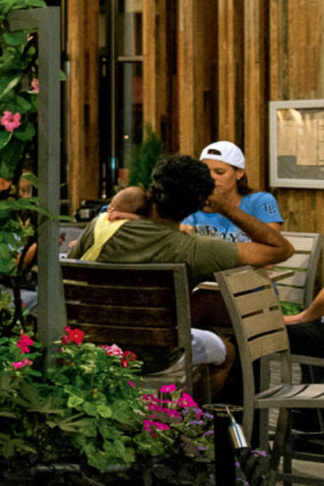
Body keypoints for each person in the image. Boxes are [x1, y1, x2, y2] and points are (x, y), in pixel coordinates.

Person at [70, 155, 292, 394]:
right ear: (199, 204)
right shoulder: (195, 249)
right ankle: (192, 419)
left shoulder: (102, 225)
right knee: (227, 352)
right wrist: (225, 207)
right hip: (155, 360)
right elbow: (281, 249)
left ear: (153, 189)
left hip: (90, 345)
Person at [183, 142, 283, 242]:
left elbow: (275, 242)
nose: (211, 177)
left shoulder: (260, 201)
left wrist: (225, 208)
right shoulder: (194, 202)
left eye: (220, 172)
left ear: (239, 172)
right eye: (206, 172)